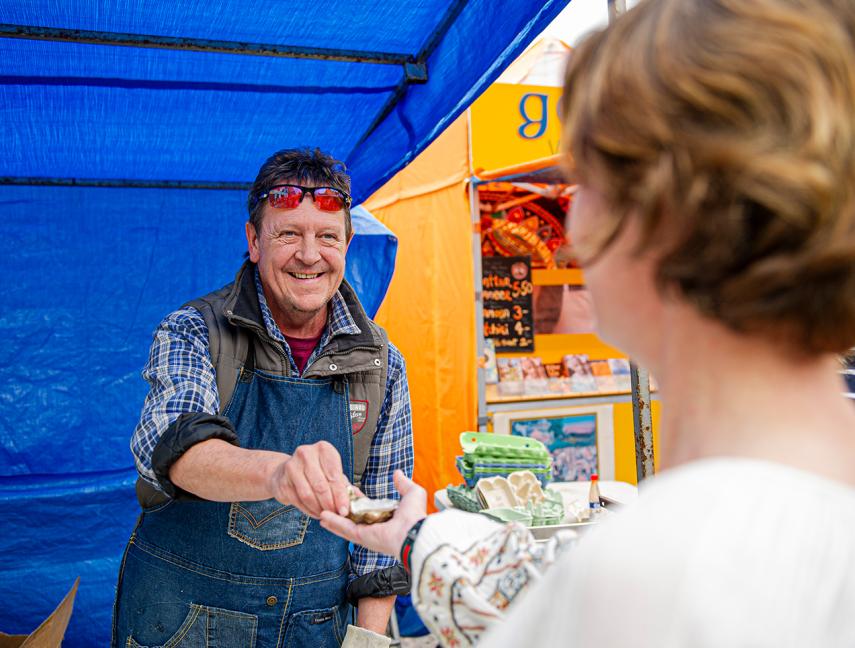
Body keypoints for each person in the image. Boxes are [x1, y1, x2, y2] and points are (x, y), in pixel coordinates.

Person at [320, 0, 855, 646]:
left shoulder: (658, 570)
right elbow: (542, 589)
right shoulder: (790, 510)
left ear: (656, 216)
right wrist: (413, 535)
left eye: (586, 179)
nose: (571, 223)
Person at [112, 148, 413, 647]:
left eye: (327, 237)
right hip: (183, 623)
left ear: (348, 244)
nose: (310, 255)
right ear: (254, 241)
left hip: (312, 630)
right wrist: (278, 475)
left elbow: (377, 526)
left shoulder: (382, 364)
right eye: (288, 234)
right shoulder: (193, 332)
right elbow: (173, 449)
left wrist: (368, 642)